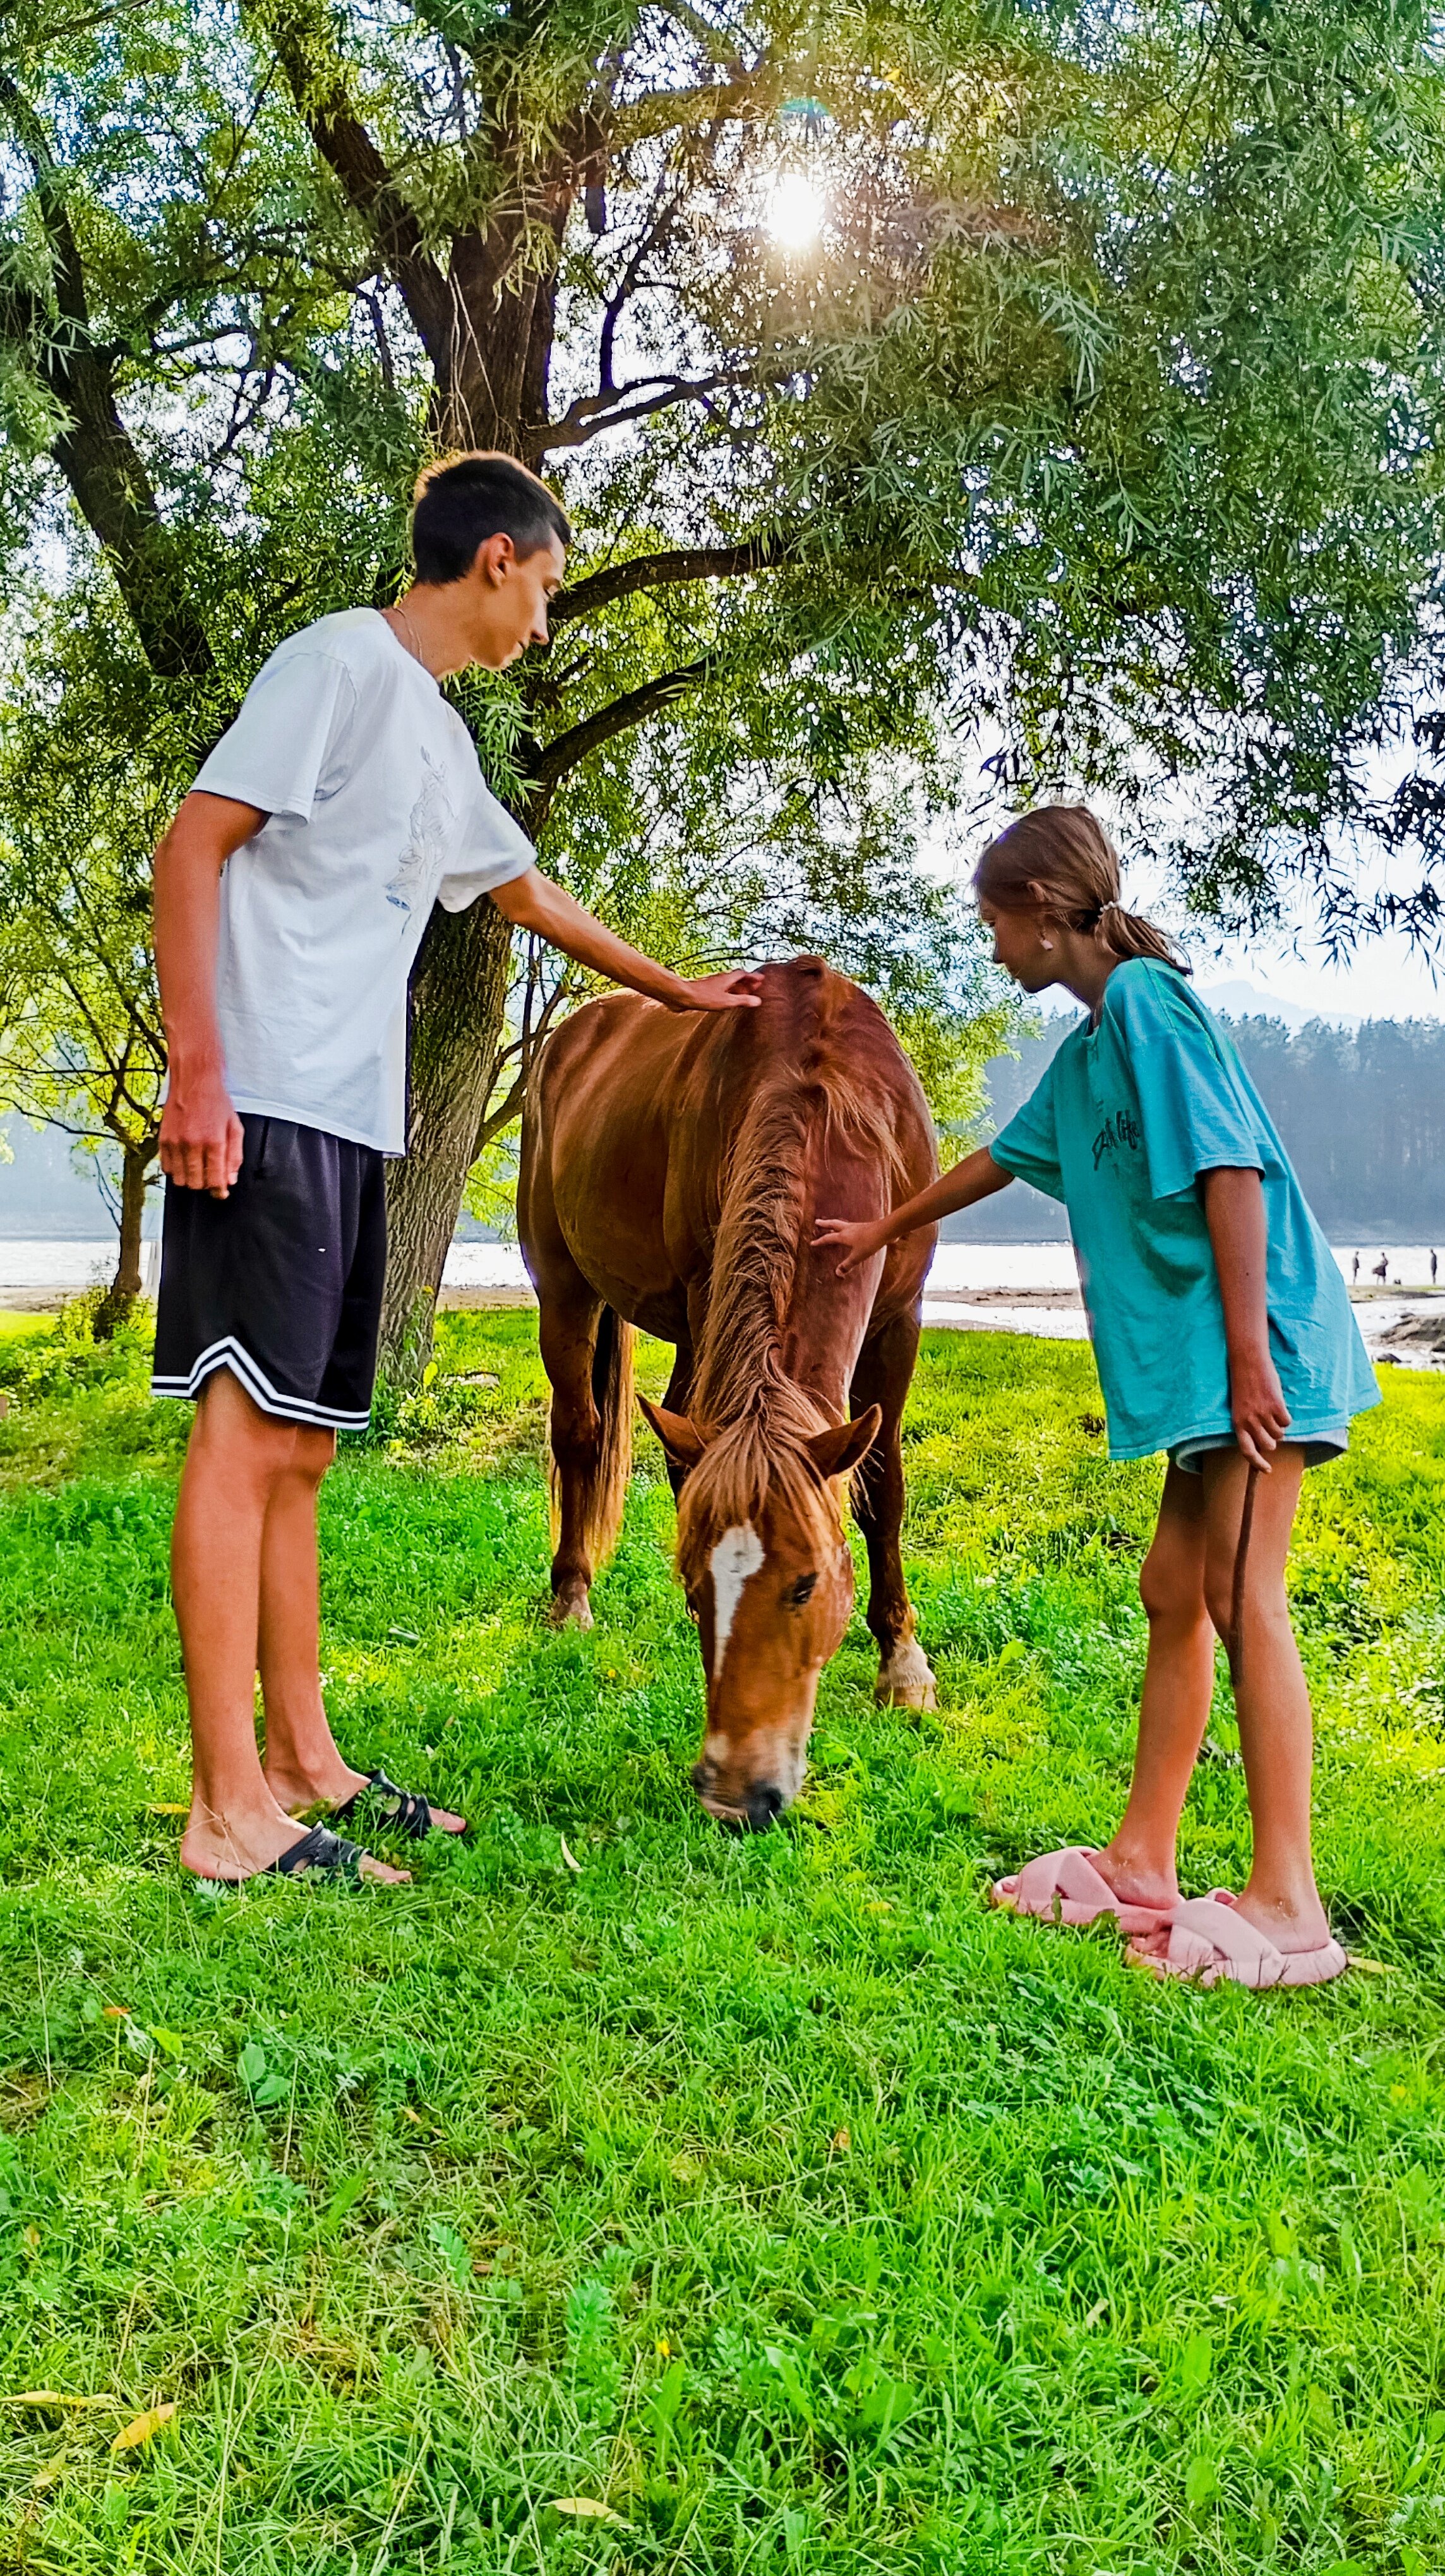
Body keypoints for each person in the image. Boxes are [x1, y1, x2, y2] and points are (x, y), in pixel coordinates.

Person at [153, 450, 762, 1887]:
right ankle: (225, 1810)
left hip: (350, 1116)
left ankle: (305, 1765)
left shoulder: (437, 737)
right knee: (245, 1441)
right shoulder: (339, 666)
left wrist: (682, 997)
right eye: (547, 589)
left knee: (301, 1443)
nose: (545, 622)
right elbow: (193, 845)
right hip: (265, 1094)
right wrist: (196, 1067)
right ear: (495, 558)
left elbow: (526, 892)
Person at [814, 805, 1377, 1991]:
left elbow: (1230, 1167)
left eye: (990, 923)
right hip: (1205, 1369)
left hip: (1253, 1346)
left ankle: (1291, 1900)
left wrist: (1248, 1355)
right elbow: (1000, 1161)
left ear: (1036, 914)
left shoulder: (1150, 1005)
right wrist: (880, 1225)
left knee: (1240, 1591)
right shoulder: (1086, 1053)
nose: (991, 946)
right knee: (1175, 1587)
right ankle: (1142, 1859)